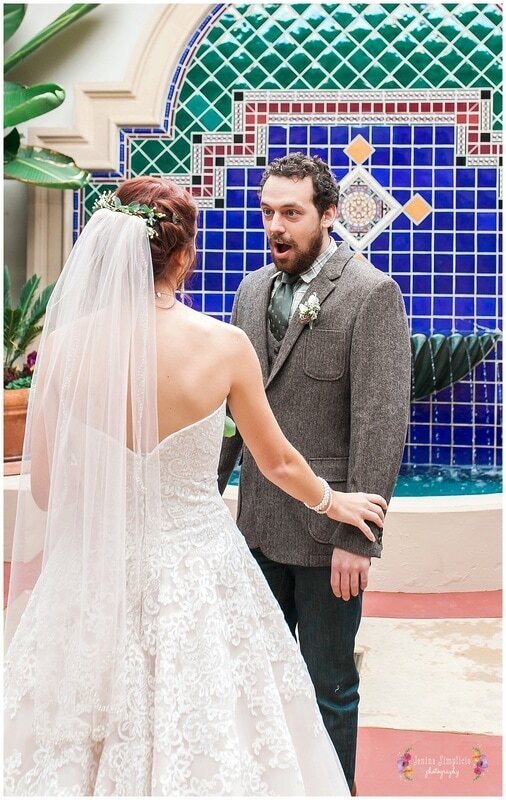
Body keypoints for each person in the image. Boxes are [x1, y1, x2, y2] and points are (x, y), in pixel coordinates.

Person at [4, 176, 388, 797]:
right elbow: (278, 462)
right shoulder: (223, 346)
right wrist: (333, 499)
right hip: (197, 571)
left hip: (94, 569)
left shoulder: (66, 346)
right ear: (183, 256)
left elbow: (45, 489)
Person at [218, 153, 412, 793]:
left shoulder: (370, 294)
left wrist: (357, 540)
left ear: (329, 215)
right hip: (257, 531)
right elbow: (235, 410)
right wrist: (205, 491)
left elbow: (381, 424)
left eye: (292, 214)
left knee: (330, 685)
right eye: (268, 212)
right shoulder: (250, 291)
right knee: (258, 680)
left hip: (329, 537)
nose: (276, 226)